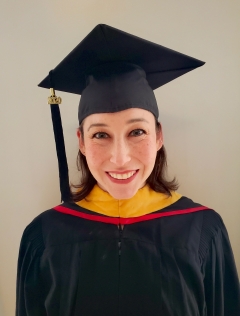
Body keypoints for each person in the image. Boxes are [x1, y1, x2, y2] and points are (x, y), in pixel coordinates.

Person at [16, 24, 240, 316]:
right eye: (100, 135)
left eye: (137, 132)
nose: (120, 158)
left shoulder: (203, 230)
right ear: (81, 141)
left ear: (159, 136)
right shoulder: (43, 236)